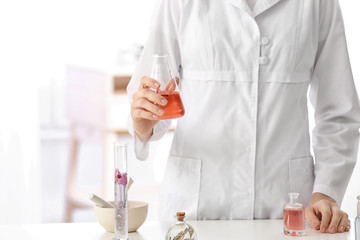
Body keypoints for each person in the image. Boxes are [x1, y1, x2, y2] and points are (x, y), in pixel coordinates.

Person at [126, 0, 360, 234]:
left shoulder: (318, 4)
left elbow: (338, 112)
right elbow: (149, 92)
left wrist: (326, 191)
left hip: (285, 211)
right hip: (196, 210)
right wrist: (143, 122)